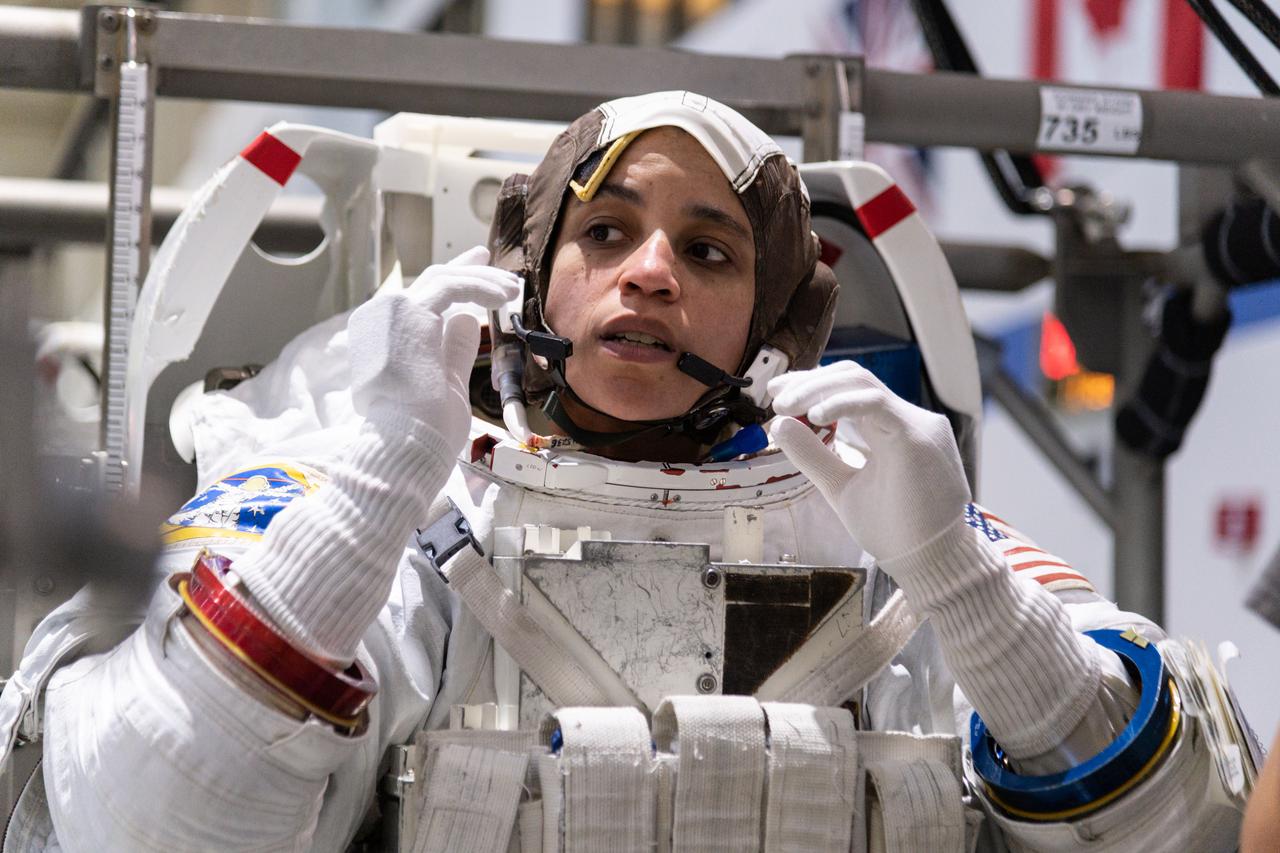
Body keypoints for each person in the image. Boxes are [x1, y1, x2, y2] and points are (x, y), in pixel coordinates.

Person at [0, 91, 1248, 851]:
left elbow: (1178, 827)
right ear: (534, 276)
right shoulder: (376, 491)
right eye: (605, 232)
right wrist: (380, 482)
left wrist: (953, 572)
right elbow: (146, 816)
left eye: (706, 252)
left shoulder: (887, 529)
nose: (649, 271)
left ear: (770, 326)